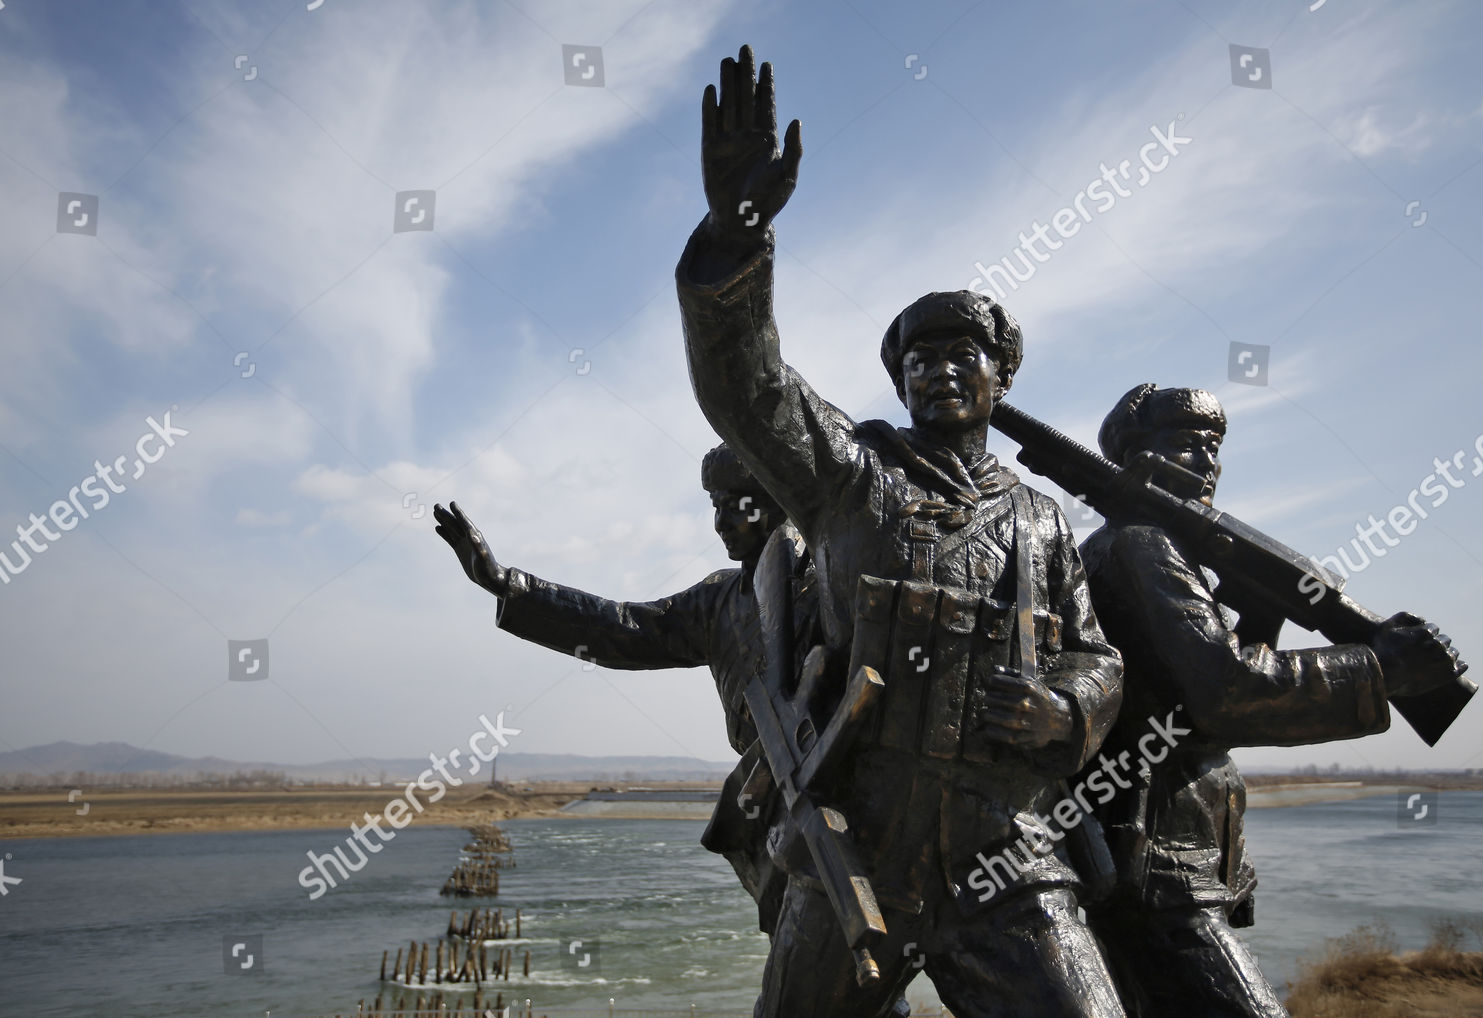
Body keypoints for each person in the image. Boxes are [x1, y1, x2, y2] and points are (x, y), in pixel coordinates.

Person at [676, 45, 1129, 1018]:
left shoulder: (1042, 520)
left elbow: (1097, 656)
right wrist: (734, 233)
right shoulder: (849, 477)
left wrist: (1066, 709)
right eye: (917, 359)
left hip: (1006, 856)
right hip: (857, 856)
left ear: (1000, 377)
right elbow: (748, 392)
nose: (938, 370)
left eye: (961, 351)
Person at [1077, 383, 1463, 1018]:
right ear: (1136, 459)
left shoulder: (1160, 547)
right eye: (1183, 445)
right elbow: (1230, 694)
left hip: (1176, 849)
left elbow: (1197, 693)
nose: (1203, 462)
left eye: (1213, 448)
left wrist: (1260, 614)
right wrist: (1382, 668)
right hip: (1155, 857)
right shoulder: (1141, 543)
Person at [432, 444, 811, 935]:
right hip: (777, 807)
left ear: (770, 500)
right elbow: (626, 628)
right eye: (713, 507)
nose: (718, 523)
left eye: (730, 505)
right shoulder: (719, 601)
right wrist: (509, 585)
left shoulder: (826, 582)